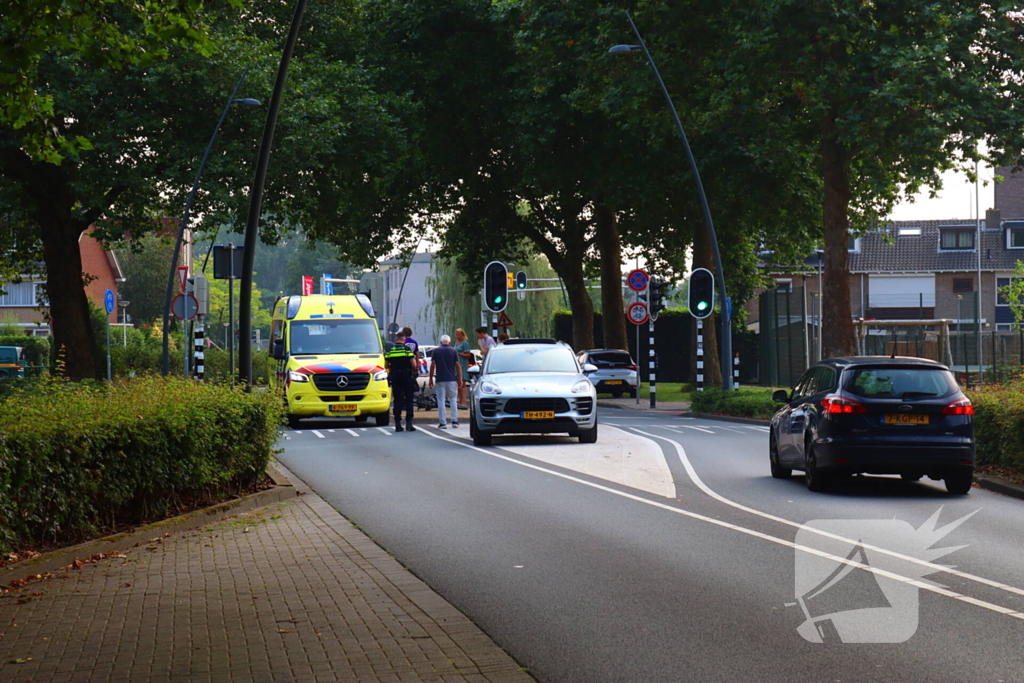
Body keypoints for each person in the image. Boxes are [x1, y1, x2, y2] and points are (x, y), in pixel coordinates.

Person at [384, 333, 418, 432]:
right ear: (404, 340)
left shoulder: (390, 350)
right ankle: (409, 423)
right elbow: (414, 364)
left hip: (395, 377)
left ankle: (398, 424)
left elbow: (386, 365)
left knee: (397, 400)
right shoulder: (407, 350)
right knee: (409, 400)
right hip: (406, 377)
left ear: (396, 339)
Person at [428, 335, 463, 429]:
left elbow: (432, 365)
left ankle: (443, 422)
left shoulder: (436, 351)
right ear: (450, 342)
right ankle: (454, 421)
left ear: (440, 342)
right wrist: (460, 378)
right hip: (451, 379)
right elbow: (458, 365)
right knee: (453, 399)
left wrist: (431, 378)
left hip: (440, 378)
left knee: (441, 400)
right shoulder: (454, 351)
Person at [454, 328, 472, 408]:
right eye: (456, 334)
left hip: (463, 364)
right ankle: (459, 401)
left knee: (463, 384)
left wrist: (459, 354)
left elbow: (468, 355)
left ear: (463, 335)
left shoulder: (465, 343)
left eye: (459, 334)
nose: (458, 336)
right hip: (456, 364)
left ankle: (463, 402)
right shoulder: (456, 343)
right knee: (458, 384)